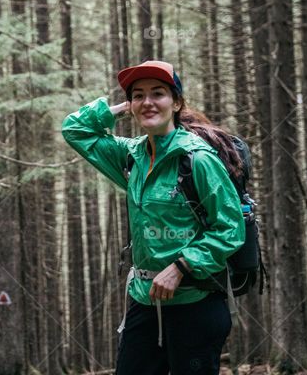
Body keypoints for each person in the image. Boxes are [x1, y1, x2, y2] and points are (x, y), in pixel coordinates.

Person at [62, 60, 245, 375]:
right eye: (139, 95)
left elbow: (229, 228)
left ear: (176, 103)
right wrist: (121, 108)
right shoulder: (131, 155)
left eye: (158, 93)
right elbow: (75, 129)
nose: (147, 101)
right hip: (144, 304)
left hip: (195, 305)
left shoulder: (197, 159)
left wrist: (180, 266)